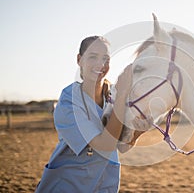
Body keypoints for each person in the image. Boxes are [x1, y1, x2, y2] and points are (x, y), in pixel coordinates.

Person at [36, 36, 147, 192]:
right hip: (68, 186)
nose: (100, 64)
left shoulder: (114, 94)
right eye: (93, 57)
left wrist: (139, 132)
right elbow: (105, 145)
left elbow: (121, 146)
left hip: (104, 185)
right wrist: (122, 94)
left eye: (105, 59)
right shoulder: (69, 101)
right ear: (79, 59)